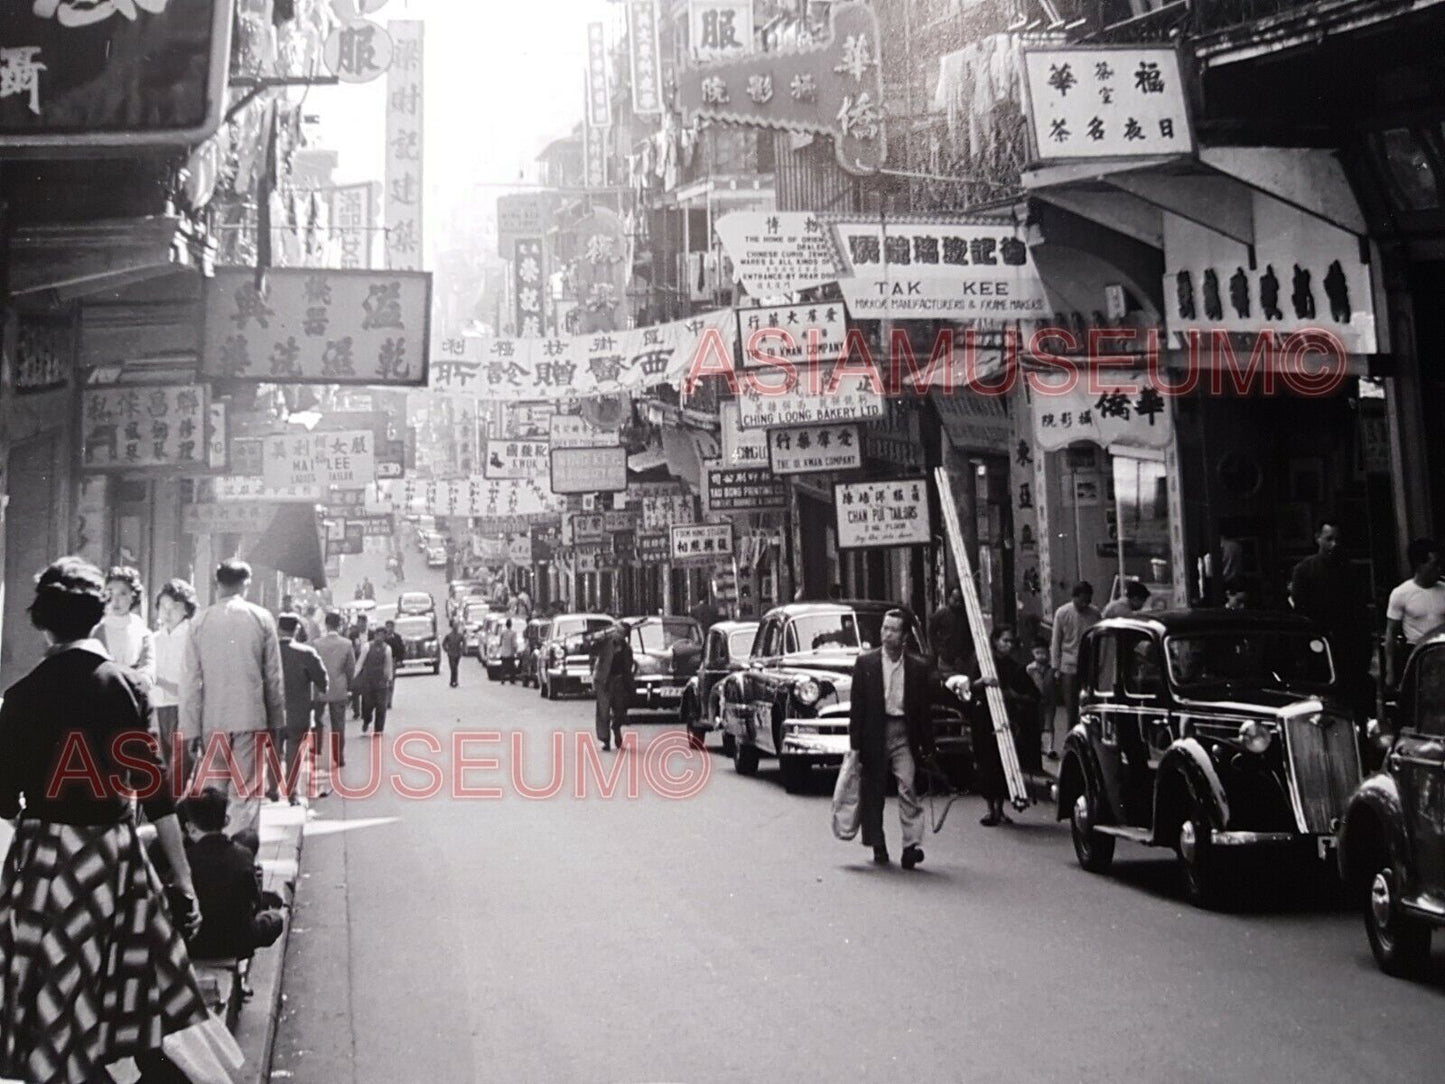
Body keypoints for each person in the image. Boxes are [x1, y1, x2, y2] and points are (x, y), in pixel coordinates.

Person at [0, 557, 241, 1083]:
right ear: (95, 618)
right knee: (136, 1006)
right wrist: (182, 881)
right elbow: (157, 797)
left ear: (41, 623)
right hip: (115, 863)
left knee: (58, 1009)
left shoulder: (17, 700)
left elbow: (2, 803)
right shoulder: (129, 688)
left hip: (45, 873)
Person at [181, 559, 286, 838]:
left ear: (217, 584)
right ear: (246, 584)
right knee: (247, 790)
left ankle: (214, 850)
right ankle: (241, 852)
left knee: (215, 790)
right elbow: (273, 677)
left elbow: (191, 681)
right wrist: (276, 722)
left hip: (211, 720)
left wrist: (190, 730)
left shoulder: (199, 622)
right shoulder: (261, 617)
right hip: (251, 718)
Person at [155, 789, 284, 963]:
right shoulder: (243, 855)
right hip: (237, 941)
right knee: (275, 920)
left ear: (190, 826)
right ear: (225, 821)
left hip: (195, 944)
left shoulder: (184, 863)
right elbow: (252, 901)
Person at [849, 609, 933, 868]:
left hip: (902, 733)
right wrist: (855, 747)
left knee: (908, 787)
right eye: (884, 628)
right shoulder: (866, 664)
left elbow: (923, 711)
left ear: (904, 635)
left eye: (893, 630)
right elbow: (857, 708)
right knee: (873, 792)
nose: (886, 634)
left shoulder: (917, 667)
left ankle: (910, 846)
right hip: (874, 732)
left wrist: (928, 747)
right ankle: (878, 844)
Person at [957, 627, 1040, 824]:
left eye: (1011, 642)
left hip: (1006, 722)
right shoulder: (982, 664)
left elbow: (1034, 696)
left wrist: (1013, 696)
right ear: (995, 641)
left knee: (1004, 764)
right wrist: (982, 682)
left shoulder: (1015, 668)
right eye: (1004, 641)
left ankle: (1000, 808)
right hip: (983, 720)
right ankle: (990, 808)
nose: (1008, 645)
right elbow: (967, 689)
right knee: (986, 764)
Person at [277, 614, 328, 805]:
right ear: (296, 630)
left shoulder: (267, 652)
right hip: (298, 712)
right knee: (294, 752)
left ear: (278, 628)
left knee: (272, 748)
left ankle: (272, 788)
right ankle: (291, 793)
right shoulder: (306, 653)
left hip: (271, 712)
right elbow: (323, 682)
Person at [153, 578, 199, 784]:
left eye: (174, 607)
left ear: (187, 610)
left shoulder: (192, 638)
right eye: (163, 607)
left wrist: (158, 680)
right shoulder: (153, 639)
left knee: (180, 766)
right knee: (159, 763)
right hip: (157, 708)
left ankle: (177, 810)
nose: (167, 613)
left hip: (183, 708)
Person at [1385, 539, 1445, 688]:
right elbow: (1391, 633)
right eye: (1434, 564)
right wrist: (1390, 670)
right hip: (1418, 655)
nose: (1439, 569)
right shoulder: (1401, 593)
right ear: (1420, 565)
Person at [1050, 582, 1101, 735]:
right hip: (1069, 666)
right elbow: (1056, 641)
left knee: (1089, 706)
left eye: (1088, 600)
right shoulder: (1062, 613)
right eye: (1082, 600)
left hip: (1089, 666)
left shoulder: (1095, 613)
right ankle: (1070, 738)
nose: (1085, 604)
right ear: (1074, 597)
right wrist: (1056, 668)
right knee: (1071, 708)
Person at [94, 564, 156, 687]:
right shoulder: (96, 630)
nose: (115, 600)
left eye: (122, 593)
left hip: (134, 693)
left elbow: (149, 669)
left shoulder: (142, 631)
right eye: (110, 593)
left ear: (132, 597)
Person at [313, 611, 358, 769]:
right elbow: (350, 668)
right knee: (338, 724)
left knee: (317, 721)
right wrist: (351, 686)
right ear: (339, 625)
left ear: (326, 624)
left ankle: (316, 752)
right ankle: (338, 756)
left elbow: (313, 667)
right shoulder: (346, 644)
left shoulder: (317, 643)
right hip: (339, 688)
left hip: (320, 688)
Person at [593, 624, 635, 752]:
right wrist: (596, 638)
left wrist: (630, 685)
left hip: (619, 681)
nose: (620, 636)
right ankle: (605, 740)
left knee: (620, 709)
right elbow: (590, 648)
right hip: (603, 681)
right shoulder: (605, 643)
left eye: (623, 634)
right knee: (603, 711)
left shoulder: (627, 649)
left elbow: (629, 667)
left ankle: (616, 728)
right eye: (619, 633)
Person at [928, 584, 974, 678]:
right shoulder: (941, 614)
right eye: (955, 599)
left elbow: (970, 637)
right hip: (946, 659)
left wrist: (966, 655)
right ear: (949, 598)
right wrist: (938, 649)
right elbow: (932, 632)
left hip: (963, 660)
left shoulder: (966, 616)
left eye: (960, 600)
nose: (958, 603)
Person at [356, 628, 394, 736]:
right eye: (378, 635)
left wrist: (389, 678)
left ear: (385, 637)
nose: (380, 638)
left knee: (381, 706)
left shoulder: (387, 649)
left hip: (381, 681)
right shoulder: (367, 647)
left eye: (382, 636)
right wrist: (355, 675)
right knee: (367, 705)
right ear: (375, 635)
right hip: (368, 680)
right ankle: (366, 720)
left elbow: (388, 665)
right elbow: (360, 662)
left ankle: (379, 729)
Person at [1026, 637, 1058, 759]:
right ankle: (1038, 745)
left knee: (1049, 723)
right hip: (1036, 700)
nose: (1041, 656)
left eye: (1044, 653)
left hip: (1050, 700)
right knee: (1038, 723)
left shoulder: (1052, 669)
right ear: (1032, 653)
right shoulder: (1030, 669)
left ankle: (1048, 747)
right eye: (1037, 653)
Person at [384, 620, 406, 708]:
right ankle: (384, 700)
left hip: (393, 660)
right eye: (388, 627)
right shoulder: (382, 637)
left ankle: (389, 701)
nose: (389, 629)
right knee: (383, 681)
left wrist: (400, 660)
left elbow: (401, 649)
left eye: (391, 627)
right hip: (383, 661)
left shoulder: (397, 637)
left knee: (391, 681)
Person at [443, 621, 466, 687]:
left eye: (456, 627)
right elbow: (444, 643)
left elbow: (464, 642)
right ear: (452, 628)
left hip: (457, 654)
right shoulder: (449, 636)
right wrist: (446, 650)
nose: (455, 628)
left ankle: (454, 681)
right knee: (453, 667)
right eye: (454, 627)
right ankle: (453, 681)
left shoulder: (460, 636)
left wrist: (463, 650)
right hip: (451, 654)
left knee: (455, 667)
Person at [497, 618, 519, 683]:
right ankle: (512, 679)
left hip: (504, 652)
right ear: (511, 625)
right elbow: (514, 643)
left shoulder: (503, 632)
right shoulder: (513, 633)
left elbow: (500, 642)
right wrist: (516, 649)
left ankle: (502, 679)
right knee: (512, 667)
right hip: (510, 652)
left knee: (504, 666)